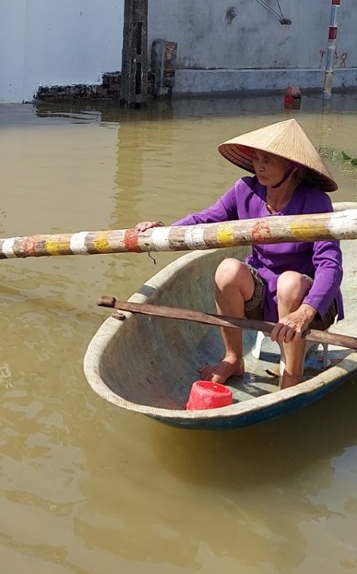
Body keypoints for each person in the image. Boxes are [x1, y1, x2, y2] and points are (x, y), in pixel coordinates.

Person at [134, 119, 343, 390]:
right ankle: (233, 358)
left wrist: (305, 311)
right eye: (257, 158)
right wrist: (164, 231)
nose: (260, 167)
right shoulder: (245, 190)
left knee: (290, 283)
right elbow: (207, 220)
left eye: (268, 160)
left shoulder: (315, 202)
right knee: (227, 270)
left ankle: (292, 374)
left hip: (308, 302)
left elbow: (330, 265)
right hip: (264, 296)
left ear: (292, 167)